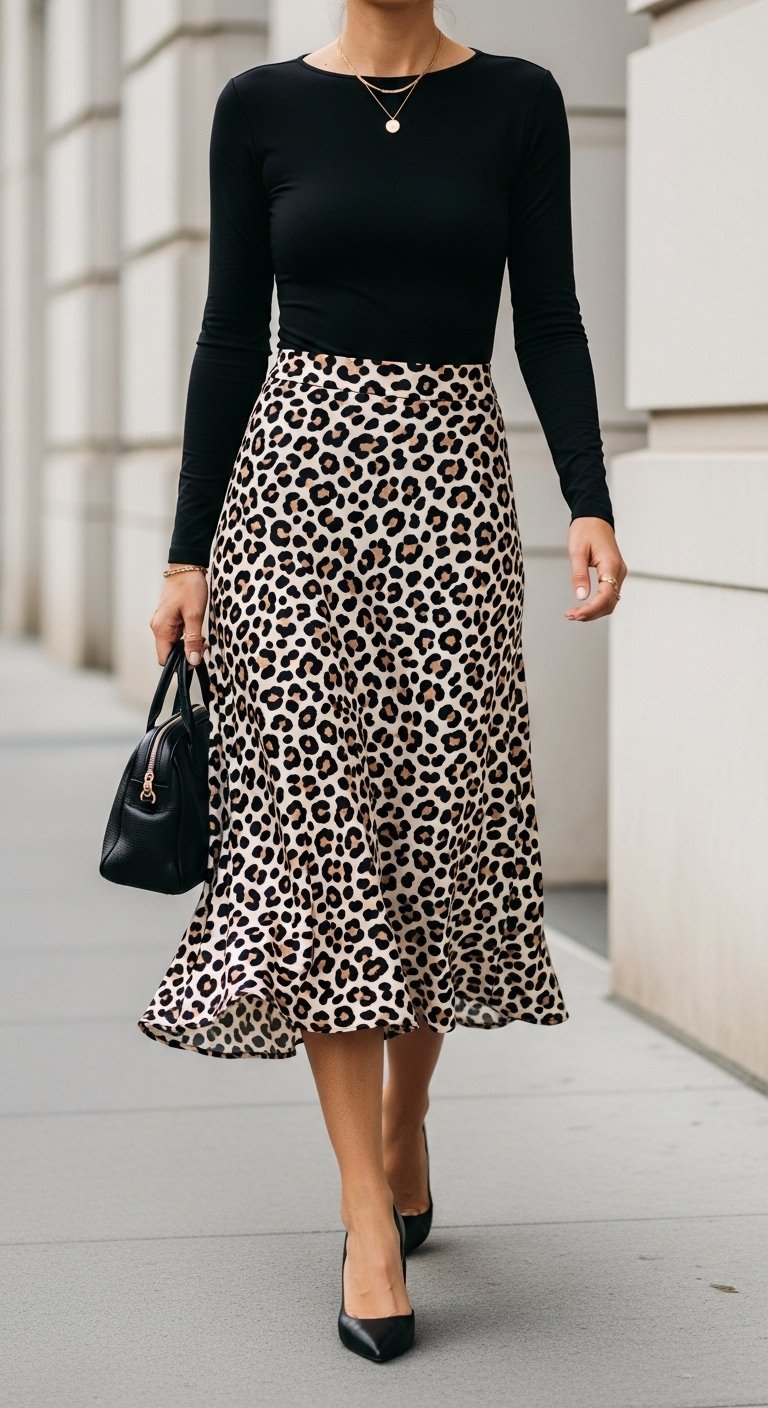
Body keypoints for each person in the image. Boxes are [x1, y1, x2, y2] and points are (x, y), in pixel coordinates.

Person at [142, 0, 628, 1364]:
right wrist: (189, 552)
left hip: (451, 501)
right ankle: (366, 1212)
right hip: (287, 504)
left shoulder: (519, 100)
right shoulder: (260, 107)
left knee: (434, 837)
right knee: (318, 850)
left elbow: (553, 317)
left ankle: (407, 1125)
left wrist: (587, 500)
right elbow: (231, 332)